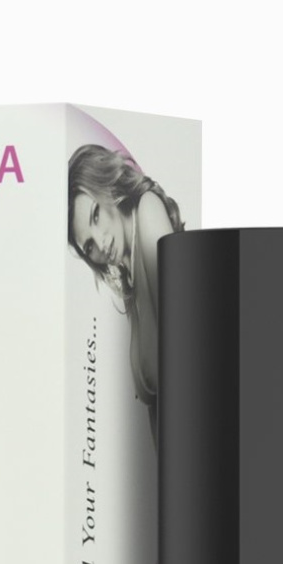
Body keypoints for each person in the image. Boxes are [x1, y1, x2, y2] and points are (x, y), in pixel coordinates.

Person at [67, 144, 185, 435]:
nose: (101, 243)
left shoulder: (147, 212)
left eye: (95, 215)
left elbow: (184, 346)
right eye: (89, 246)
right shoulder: (129, 276)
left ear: (107, 187)